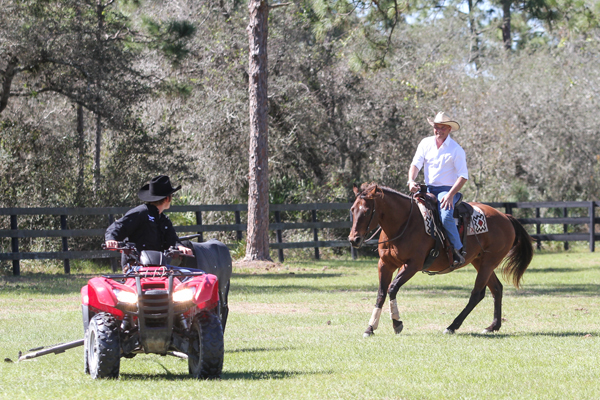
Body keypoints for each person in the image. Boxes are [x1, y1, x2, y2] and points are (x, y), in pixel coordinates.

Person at [407, 111, 468, 266]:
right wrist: (411, 180)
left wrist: (450, 195)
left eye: (442, 127)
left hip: (447, 190)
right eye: (436, 127)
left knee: (446, 216)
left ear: (449, 129)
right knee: (408, 211)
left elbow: (463, 176)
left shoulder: (456, 149)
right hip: (427, 189)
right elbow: (416, 164)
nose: (438, 130)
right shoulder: (425, 143)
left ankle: (458, 250)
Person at [105, 175, 193, 268]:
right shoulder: (141, 212)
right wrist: (111, 239)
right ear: (167, 198)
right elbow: (119, 225)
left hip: (158, 266)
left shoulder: (164, 220)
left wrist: (180, 247)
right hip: (135, 267)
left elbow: (172, 239)